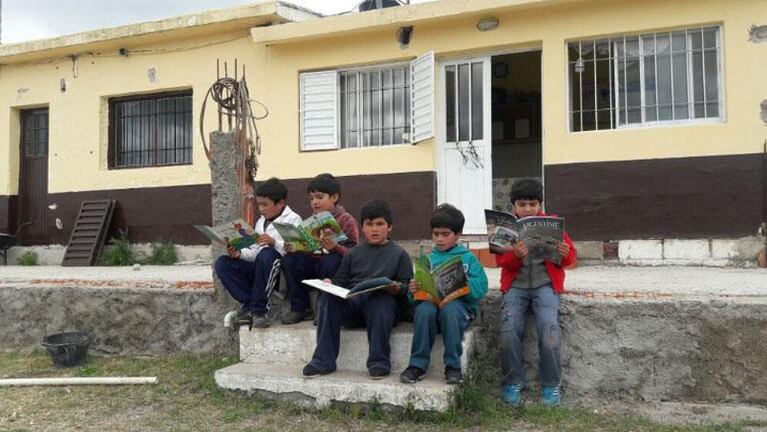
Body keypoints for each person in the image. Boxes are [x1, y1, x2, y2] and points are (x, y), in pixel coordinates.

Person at [301, 200, 413, 380]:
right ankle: (323, 361)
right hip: (354, 307)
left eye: (379, 224)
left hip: (382, 310)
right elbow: (341, 281)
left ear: (390, 227)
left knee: (380, 300)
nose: (374, 229)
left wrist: (396, 288)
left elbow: (408, 288)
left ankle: (379, 362)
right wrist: (330, 283)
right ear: (362, 227)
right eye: (369, 224)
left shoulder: (399, 254)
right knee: (329, 298)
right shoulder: (354, 254)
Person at [496, 178, 576, 407]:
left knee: (550, 331)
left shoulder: (551, 224)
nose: (528, 209)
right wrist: (515, 255)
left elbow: (570, 258)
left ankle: (551, 384)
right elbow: (500, 259)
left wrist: (564, 252)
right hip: (516, 287)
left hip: (545, 286)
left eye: (533, 204)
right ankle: (513, 381)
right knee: (509, 330)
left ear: (540, 204)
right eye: (522, 204)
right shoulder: (508, 228)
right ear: (513, 206)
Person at [400, 204, 488, 385]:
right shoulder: (428, 259)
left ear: (458, 234)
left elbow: (482, 286)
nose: (439, 239)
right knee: (424, 311)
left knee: (451, 311)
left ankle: (453, 366)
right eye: (435, 234)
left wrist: (462, 283)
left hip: (459, 309)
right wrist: (414, 290)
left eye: (445, 234)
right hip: (432, 307)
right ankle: (417, 365)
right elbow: (414, 299)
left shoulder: (468, 258)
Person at [214, 177, 302, 328]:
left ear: (280, 203)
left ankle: (259, 310)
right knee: (222, 263)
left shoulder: (293, 219)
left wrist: (275, 243)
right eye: (259, 204)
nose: (261, 209)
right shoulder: (261, 222)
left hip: (278, 271)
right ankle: (249, 306)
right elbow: (255, 251)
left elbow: (298, 249)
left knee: (267, 253)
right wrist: (239, 254)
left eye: (265, 205)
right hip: (259, 266)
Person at [281, 173, 359, 324]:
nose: (314, 202)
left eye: (319, 197)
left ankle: (324, 308)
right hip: (315, 263)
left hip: (335, 268)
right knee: (290, 259)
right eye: (311, 198)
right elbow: (309, 248)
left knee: (331, 259)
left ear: (334, 197)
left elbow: (355, 253)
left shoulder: (346, 220)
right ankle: (300, 307)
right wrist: (294, 246)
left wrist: (336, 247)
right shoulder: (311, 221)